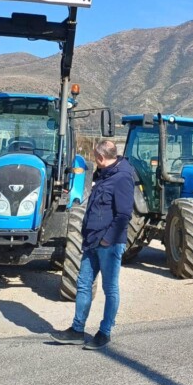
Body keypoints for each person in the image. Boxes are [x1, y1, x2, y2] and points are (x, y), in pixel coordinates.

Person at [51, 140, 135, 350]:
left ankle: (104, 332)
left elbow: (124, 214)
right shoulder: (104, 174)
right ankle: (77, 330)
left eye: (95, 158)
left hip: (109, 243)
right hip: (91, 241)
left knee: (109, 288)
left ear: (100, 157)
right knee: (83, 284)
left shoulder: (122, 177)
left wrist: (107, 239)